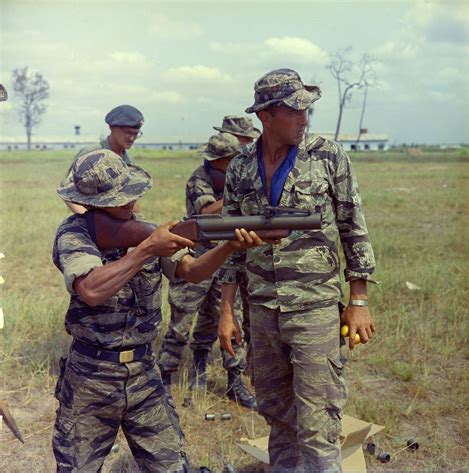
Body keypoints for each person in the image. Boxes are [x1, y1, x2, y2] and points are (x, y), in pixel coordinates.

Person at [52, 148, 264, 472]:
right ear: (94, 204)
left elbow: (191, 271)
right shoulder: (74, 235)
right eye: (120, 198)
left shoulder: (146, 231)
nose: (131, 203)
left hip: (143, 373)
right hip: (90, 378)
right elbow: (92, 289)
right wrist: (146, 249)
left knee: (172, 466)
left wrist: (228, 246)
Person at [217, 68, 377, 472]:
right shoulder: (239, 168)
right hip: (262, 312)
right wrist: (226, 311)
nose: (305, 119)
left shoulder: (327, 155)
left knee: (318, 424)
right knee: (277, 417)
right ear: (266, 116)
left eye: (308, 110)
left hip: (314, 310)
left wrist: (358, 300)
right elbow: (230, 250)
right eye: (295, 111)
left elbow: (352, 227)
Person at [158, 131, 257, 410]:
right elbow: (208, 210)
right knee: (181, 323)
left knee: (230, 318)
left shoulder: (236, 177)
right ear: (216, 163)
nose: (234, 166)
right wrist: (234, 194)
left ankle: (235, 381)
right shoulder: (198, 179)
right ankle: (164, 377)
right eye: (229, 162)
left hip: (227, 256)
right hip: (197, 256)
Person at [64, 104, 144, 214]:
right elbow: (68, 192)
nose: (131, 138)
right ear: (111, 127)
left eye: (136, 134)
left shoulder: (127, 159)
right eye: (127, 132)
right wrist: (88, 219)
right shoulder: (92, 154)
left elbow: (131, 198)